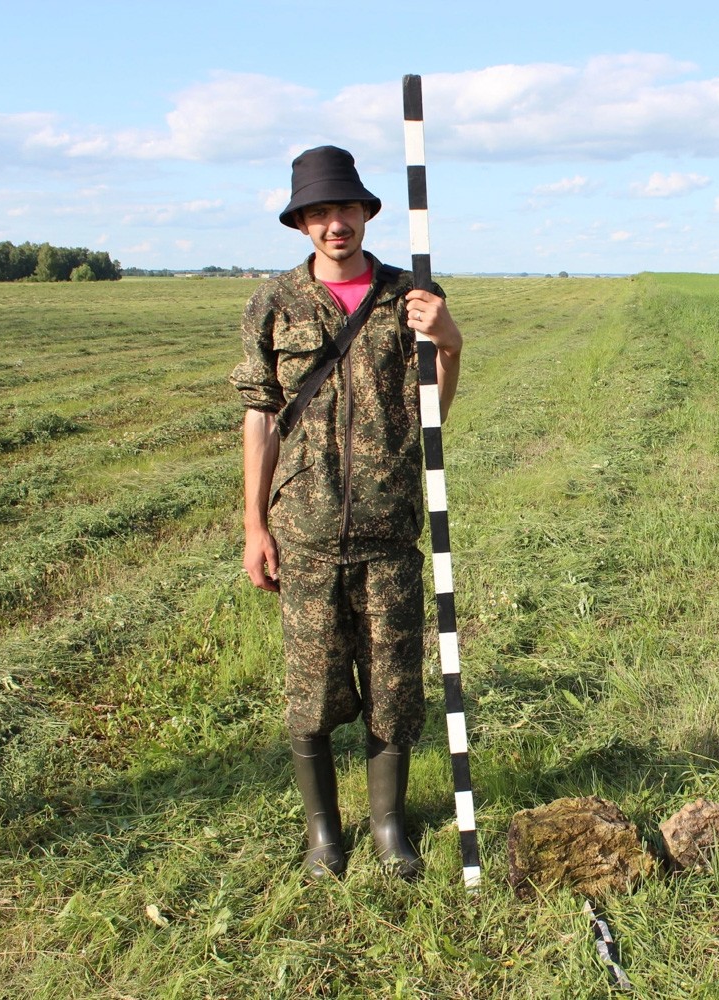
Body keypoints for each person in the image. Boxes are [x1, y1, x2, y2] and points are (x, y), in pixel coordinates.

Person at [229, 145, 462, 880]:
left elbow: (431, 414)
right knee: (312, 692)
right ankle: (324, 836)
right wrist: (254, 526)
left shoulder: (410, 295)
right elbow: (261, 418)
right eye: (320, 212)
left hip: (389, 530)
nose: (336, 224)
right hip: (305, 533)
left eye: (347, 209)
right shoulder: (273, 303)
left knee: (394, 690)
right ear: (302, 223)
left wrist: (448, 343)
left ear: (366, 213)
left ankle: (389, 829)